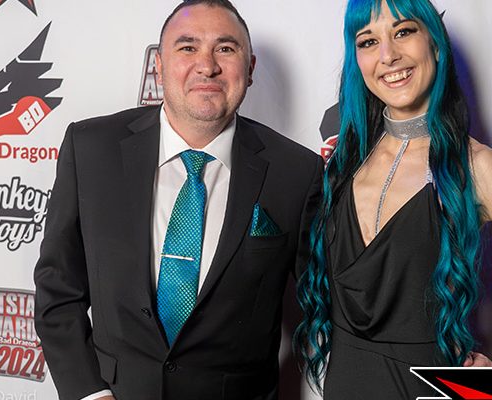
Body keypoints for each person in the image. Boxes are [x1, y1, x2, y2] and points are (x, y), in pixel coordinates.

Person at [294, 0, 492, 398]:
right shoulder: (345, 159)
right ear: (357, 59)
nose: (388, 55)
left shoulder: (477, 167)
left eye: (403, 32)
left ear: (434, 43)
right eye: (368, 41)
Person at [33, 1, 322, 399]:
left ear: (250, 68)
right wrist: (91, 394)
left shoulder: (297, 172)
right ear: (159, 65)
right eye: (188, 47)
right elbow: (58, 289)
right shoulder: (90, 149)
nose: (207, 66)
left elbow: (326, 306)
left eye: (225, 48)